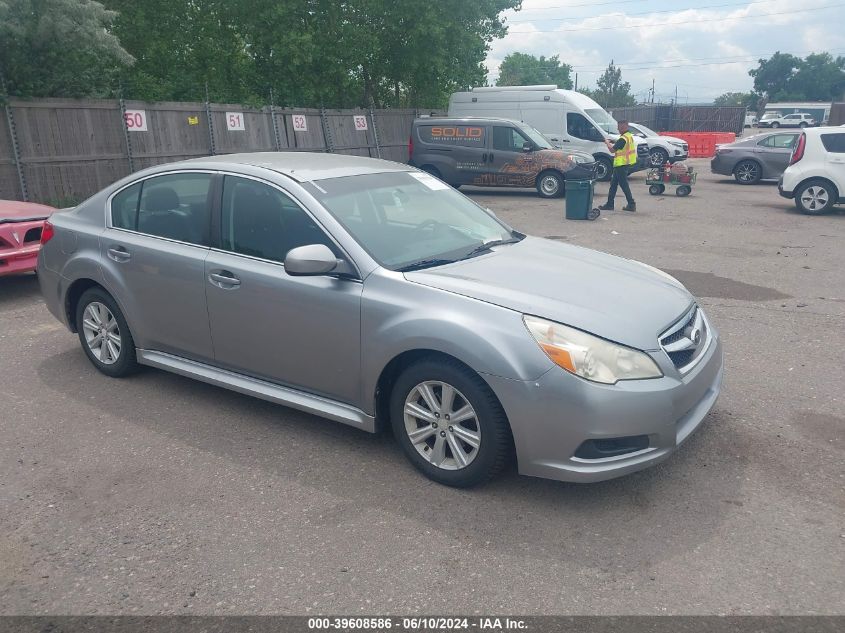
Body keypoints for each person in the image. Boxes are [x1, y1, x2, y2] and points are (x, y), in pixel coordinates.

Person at [598, 120, 637, 212]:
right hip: (623, 164)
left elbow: (612, 150)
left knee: (623, 185)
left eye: (619, 127)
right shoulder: (628, 136)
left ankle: (631, 204)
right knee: (613, 185)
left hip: (621, 164)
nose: (618, 129)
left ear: (623, 127)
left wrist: (607, 142)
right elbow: (621, 144)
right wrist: (613, 140)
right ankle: (610, 204)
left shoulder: (623, 139)